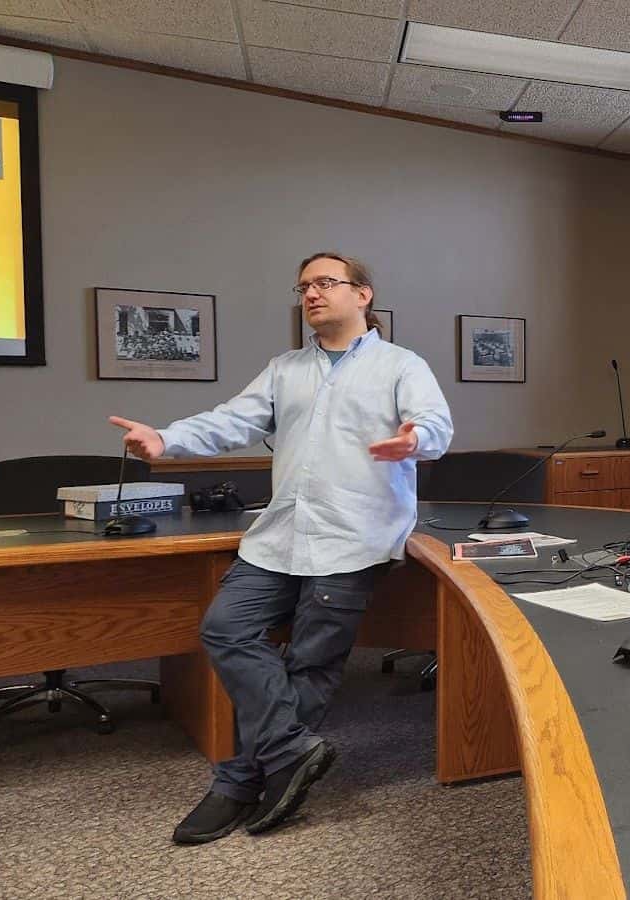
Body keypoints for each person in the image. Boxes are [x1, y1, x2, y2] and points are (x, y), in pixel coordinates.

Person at [110, 252, 455, 843]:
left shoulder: (401, 365)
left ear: (363, 294)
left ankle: (237, 782)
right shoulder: (285, 369)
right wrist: (166, 439)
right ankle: (290, 751)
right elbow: (231, 421)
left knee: (311, 664)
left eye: (325, 283)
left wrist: (415, 438)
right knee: (225, 627)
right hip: (280, 535)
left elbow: (437, 426)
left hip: (355, 536)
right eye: (303, 287)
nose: (311, 294)